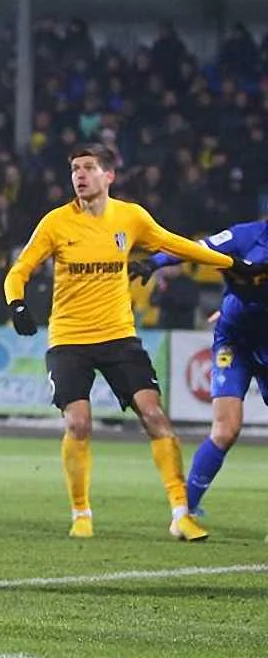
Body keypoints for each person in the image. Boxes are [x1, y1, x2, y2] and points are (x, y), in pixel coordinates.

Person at [3, 143, 264, 542]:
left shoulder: (131, 217)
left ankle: (181, 514)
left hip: (119, 335)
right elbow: (18, 270)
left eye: (88, 167)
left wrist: (231, 264)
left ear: (109, 175)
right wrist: (17, 304)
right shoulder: (55, 223)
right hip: (69, 337)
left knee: (154, 415)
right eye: (75, 169)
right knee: (79, 422)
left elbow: (175, 244)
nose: (79, 175)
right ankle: (81, 513)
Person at [130, 218, 268, 518]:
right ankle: (186, 509)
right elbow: (194, 249)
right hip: (235, 343)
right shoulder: (246, 236)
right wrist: (154, 263)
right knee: (225, 430)